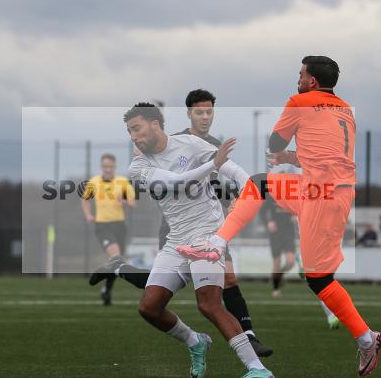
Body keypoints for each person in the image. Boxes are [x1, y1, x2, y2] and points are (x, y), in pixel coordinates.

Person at [178, 56, 381, 377]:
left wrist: (279, 149)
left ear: (312, 82)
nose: (298, 79)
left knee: (319, 280)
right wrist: (287, 156)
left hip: (320, 194)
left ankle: (366, 338)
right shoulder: (344, 109)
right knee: (260, 183)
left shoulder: (300, 102)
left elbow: (276, 141)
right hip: (328, 190)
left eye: (301, 75)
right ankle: (217, 242)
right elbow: (322, 155)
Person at [91, 89, 274, 357]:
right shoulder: (162, 145)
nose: (204, 116)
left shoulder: (208, 143)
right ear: (188, 114)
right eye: (199, 111)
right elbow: (177, 179)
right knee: (156, 291)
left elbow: (228, 175)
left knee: (226, 281)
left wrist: (240, 197)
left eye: (209, 111)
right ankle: (120, 268)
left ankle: (249, 338)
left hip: (209, 224)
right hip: (174, 227)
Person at [81, 154, 135, 305]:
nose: (108, 169)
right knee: (116, 256)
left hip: (119, 225)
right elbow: (85, 200)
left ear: (115, 167)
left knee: (116, 262)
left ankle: (106, 289)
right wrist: (88, 215)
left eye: (111, 166)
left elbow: (132, 203)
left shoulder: (122, 182)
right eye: (105, 166)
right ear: (101, 166)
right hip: (102, 225)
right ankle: (103, 281)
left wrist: (124, 200)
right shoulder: (94, 182)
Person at [260, 199, 296, 297]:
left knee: (290, 262)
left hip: (289, 233)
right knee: (277, 262)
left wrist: (296, 216)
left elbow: (302, 209)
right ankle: (276, 289)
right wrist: (268, 222)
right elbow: (262, 211)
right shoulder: (271, 196)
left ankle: (280, 275)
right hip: (275, 233)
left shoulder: (292, 196)